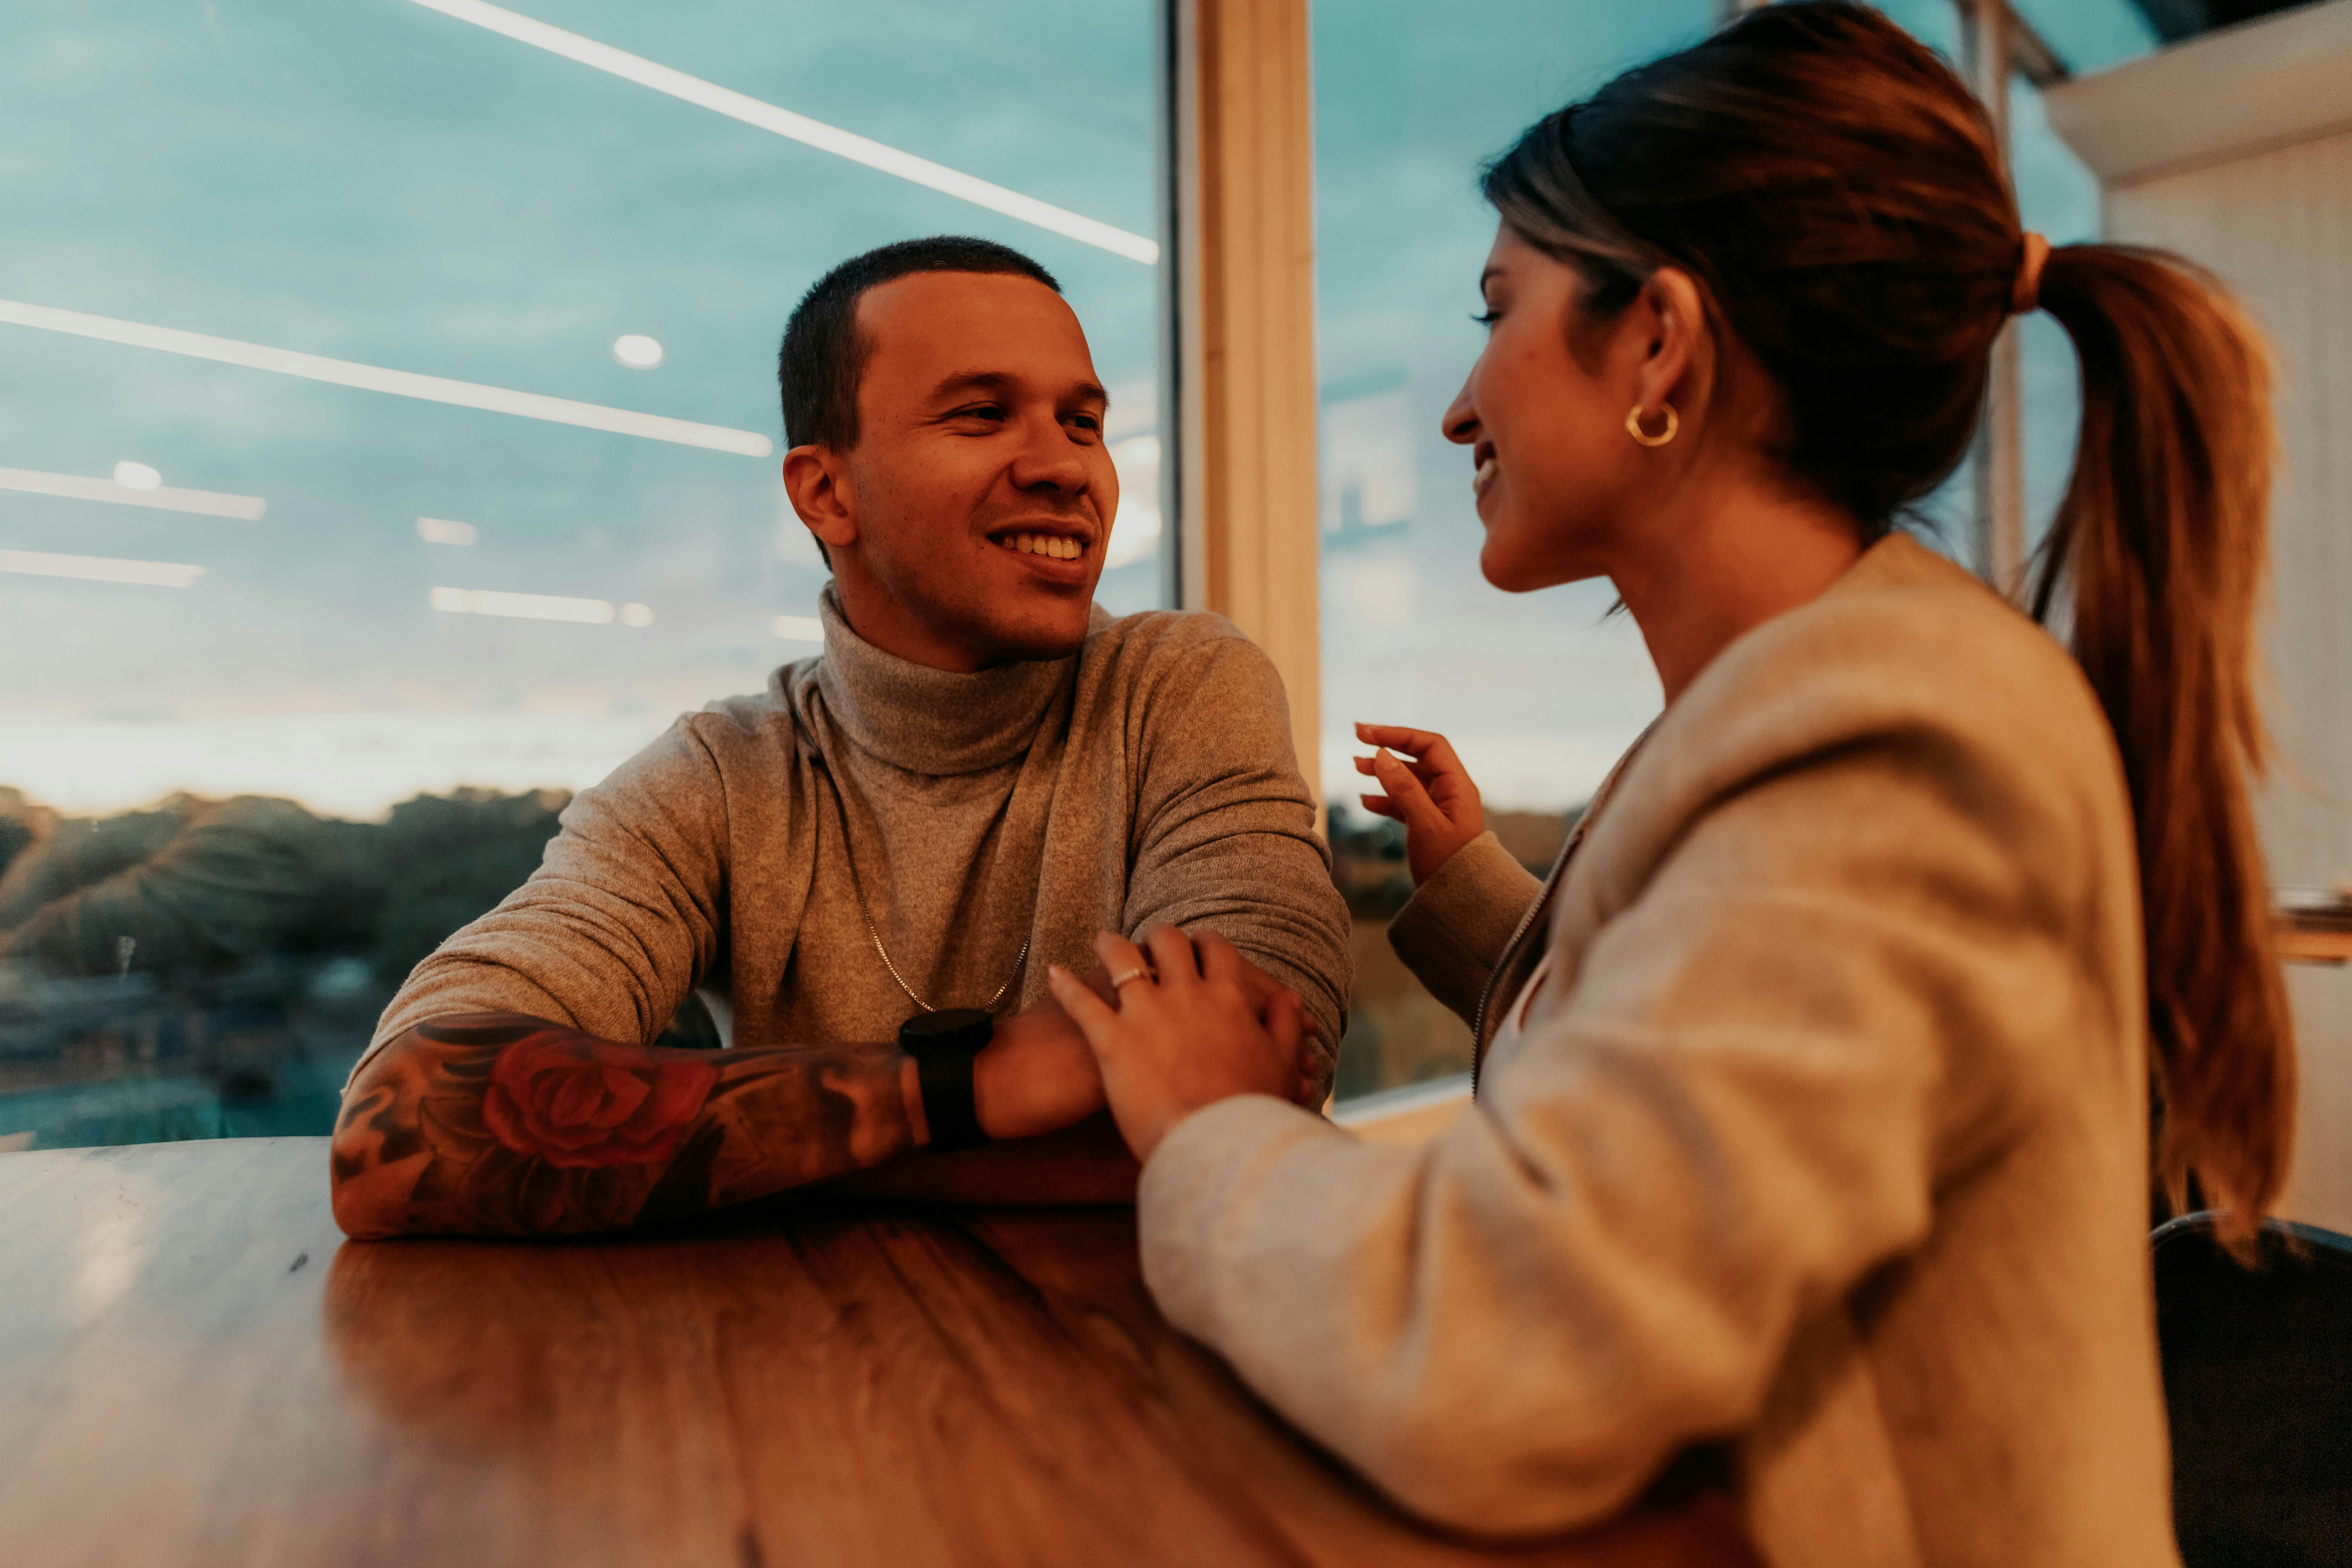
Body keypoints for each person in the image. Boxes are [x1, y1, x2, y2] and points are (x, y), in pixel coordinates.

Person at [1047, 7, 2294, 1564]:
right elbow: (1698, 1060)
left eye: (1500, 308)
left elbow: (1512, 1344)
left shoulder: (1898, 744)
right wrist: (1475, 895)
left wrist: (1212, 1128)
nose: (1456, 406)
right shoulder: (1801, 703)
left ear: (1660, 345)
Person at [331, 236, 1351, 1240]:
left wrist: (745, 1159)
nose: (1063, 467)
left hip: (1160, 1368)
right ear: (827, 492)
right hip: (799, 1380)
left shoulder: (1181, 687)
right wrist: (978, 1086)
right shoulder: (720, 777)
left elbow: (1252, 1093)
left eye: (1082, 421)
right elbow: (403, 1130)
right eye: (982, 415)